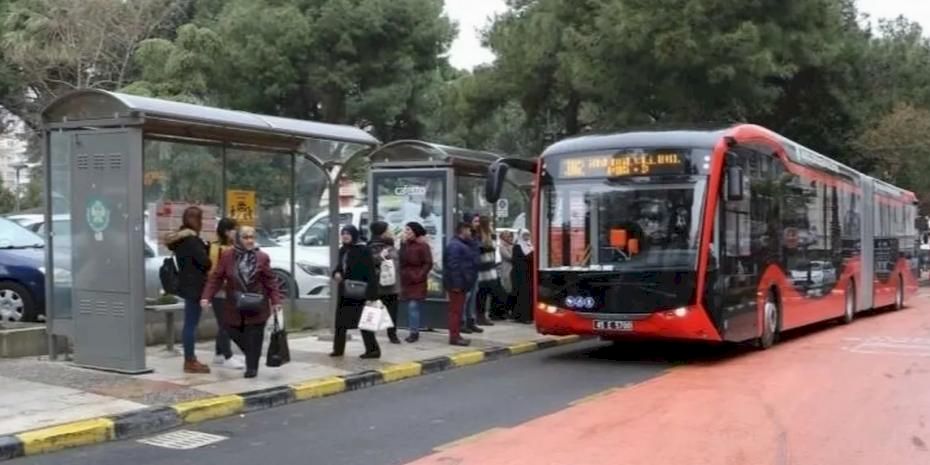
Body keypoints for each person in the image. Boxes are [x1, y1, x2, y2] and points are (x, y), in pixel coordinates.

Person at [201, 226, 282, 378]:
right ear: (238, 239)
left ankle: (252, 368)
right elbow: (216, 278)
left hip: (257, 303)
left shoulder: (262, 257)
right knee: (230, 329)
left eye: (252, 237)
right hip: (235, 304)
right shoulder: (227, 256)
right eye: (245, 237)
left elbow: (270, 281)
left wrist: (276, 300)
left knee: (255, 335)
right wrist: (206, 296)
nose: (250, 241)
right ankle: (252, 355)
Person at [165, 206, 212, 374]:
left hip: (186, 284)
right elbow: (205, 262)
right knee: (191, 324)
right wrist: (206, 248)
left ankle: (189, 358)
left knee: (189, 322)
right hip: (195, 286)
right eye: (200, 219)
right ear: (196, 220)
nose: (202, 223)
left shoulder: (179, 240)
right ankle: (190, 360)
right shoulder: (192, 241)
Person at [331, 225, 381, 359]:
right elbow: (339, 268)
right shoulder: (343, 250)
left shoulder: (363, 250)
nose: (345, 236)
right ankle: (338, 349)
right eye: (343, 233)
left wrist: (372, 294)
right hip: (345, 292)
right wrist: (336, 273)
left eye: (347, 233)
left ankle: (373, 350)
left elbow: (370, 272)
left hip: (360, 292)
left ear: (354, 235)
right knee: (340, 322)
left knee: (364, 321)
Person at [207, 217, 245, 370]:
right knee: (226, 324)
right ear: (225, 231)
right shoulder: (218, 248)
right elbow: (214, 271)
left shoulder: (233, 246)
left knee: (225, 322)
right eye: (233, 229)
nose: (236, 232)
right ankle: (228, 356)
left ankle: (219, 354)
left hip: (231, 290)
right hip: (221, 291)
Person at [444, 222, 479, 346]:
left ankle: (457, 335)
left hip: (462, 284)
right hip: (457, 285)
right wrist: (457, 284)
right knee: (455, 311)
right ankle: (454, 337)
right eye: (469, 230)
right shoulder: (455, 246)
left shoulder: (462, 244)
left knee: (458, 311)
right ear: (463, 230)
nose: (470, 233)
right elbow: (453, 266)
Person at [399, 221, 432, 343]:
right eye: (405, 230)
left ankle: (414, 332)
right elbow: (401, 260)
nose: (406, 232)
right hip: (407, 279)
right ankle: (414, 329)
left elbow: (428, 263)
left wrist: (420, 275)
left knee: (413, 306)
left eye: (408, 230)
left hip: (418, 280)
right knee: (410, 305)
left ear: (415, 232)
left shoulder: (423, 246)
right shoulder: (405, 245)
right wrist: (402, 245)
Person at [368, 221, 401, 344]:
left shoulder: (391, 244)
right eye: (387, 230)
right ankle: (371, 336)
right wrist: (380, 257)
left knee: (393, 310)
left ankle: (392, 334)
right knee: (375, 310)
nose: (390, 231)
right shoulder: (372, 246)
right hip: (378, 284)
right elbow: (370, 262)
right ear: (382, 232)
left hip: (391, 284)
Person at [475, 216, 504, 325]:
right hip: (482, 268)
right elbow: (480, 248)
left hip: (490, 267)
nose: (491, 225)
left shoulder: (490, 235)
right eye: (490, 223)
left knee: (489, 292)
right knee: (481, 293)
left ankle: (484, 315)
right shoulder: (478, 234)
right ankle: (480, 316)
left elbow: (493, 246)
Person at [461, 213, 483, 334]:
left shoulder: (476, 236)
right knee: (466, 297)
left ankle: (471, 321)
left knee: (473, 297)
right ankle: (462, 322)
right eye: (475, 221)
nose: (477, 224)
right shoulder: (465, 238)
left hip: (475, 270)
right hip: (467, 271)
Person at [512, 229, 534, 324]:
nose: (526, 237)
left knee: (528, 295)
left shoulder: (530, 245)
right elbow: (517, 261)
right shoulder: (517, 246)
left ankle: (529, 315)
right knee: (522, 295)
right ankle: (522, 317)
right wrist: (529, 257)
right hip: (520, 275)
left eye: (528, 235)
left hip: (529, 274)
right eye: (524, 235)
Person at [497, 230, 515, 319]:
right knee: (507, 290)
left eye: (510, 236)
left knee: (511, 290)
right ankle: (506, 311)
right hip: (506, 270)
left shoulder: (511, 245)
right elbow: (509, 257)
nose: (509, 237)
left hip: (512, 270)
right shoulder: (502, 246)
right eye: (507, 236)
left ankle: (510, 310)